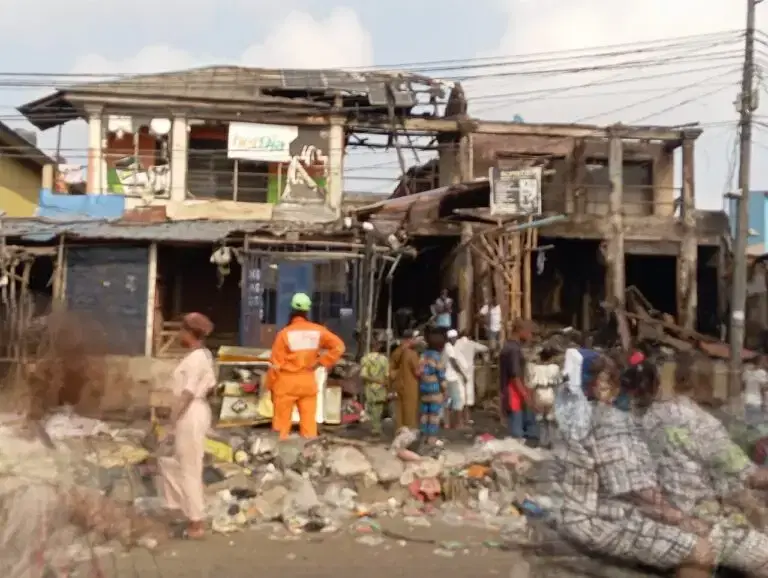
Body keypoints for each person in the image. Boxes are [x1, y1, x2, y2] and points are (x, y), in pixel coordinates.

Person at [2, 313, 164, 576]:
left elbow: (57, 490)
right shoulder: (17, 453)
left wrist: (106, 514)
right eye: (87, 364)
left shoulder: (41, 440)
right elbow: (39, 498)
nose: (99, 377)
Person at [556, 357, 719, 578]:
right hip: (593, 522)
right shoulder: (610, 420)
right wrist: (680, 517)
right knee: (700, 551)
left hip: (585, 512)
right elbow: (633, 489)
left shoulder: (574, 416)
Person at [626, 355, 768, 576]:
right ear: (696, 384)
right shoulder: (696, 420)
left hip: (644, 520)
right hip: (693, 522)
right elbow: (751, 477)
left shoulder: (633, 414)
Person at [157, 312, 217, 540]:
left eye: (181, 330)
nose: (179, 335)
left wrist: (172, 421)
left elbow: (188, 393)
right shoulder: (201, 356)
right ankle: (188, 511)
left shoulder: (196, 359)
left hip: (190, 413)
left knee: (190, 468)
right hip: (193, 412)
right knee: (173, 462)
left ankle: (196, 523)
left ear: (190, 333)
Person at [267, 292, 345, 440]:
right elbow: (339, 347)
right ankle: (310, 457)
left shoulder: (284, 334)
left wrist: (270, 386)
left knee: (281, 428)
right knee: (309, 426)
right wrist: (322, 362)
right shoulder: (318, 331)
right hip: (307, 382)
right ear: (307, 311)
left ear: (291, 310)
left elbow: (275, 365)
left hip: (285, 383)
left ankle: (279, 456)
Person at [499, 319, 538, 444]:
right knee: (517, 434)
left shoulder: (509, 346)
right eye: (530, 333)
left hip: (512, 390)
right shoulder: (514, 350)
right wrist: (526, 395)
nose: (531, 336)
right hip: (513, 392)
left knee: (520, 428)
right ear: (521, 331)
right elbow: (515, 376)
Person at [525, 346, 560, 448]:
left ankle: (542, 441)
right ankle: (552, 441)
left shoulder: (535, 368)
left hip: (539, 393)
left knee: (541, 419)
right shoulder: (555, 368)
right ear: (551, 358)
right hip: (550, 393)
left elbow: (530, 384)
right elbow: (559, 381)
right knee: (551, 419)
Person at [454, 330, 489, 425]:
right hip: (469, 372)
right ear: (469, 336)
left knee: (460, 396)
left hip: (458, 372)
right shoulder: (471, 343)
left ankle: (459, 420)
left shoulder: (456, 344)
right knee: (468, 397)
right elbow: (485, 348)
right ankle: (467, 419)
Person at [419, 327, 447, 444]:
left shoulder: (423, 355)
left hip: (423, 389)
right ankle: (432, 439)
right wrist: (445, 390)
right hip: (435, 390)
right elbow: (441, 375)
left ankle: (423, 437)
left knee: (424, 414)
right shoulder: (437, 357)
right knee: (434, 416)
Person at [390, 329, 421, 430]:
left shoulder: (397, 351)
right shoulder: (412, 353)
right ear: (411, 339)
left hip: (398, 385)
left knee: (400, 413)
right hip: (410, 386)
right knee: (410, 413)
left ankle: (399, 435)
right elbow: (418, 372)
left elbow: (391, 369)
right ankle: (408, 437)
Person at [360, 338, 390, 437]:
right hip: (380, 387)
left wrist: (373, 380)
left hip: (369, 387)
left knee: (371, 408)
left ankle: (375, 428)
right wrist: (382, 382)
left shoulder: (365, 359)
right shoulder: (384, 359)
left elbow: (363, 375)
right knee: (379, 408)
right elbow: (387, 375)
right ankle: (377, 428)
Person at [443, 329, 470, 429]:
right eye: (454, 338)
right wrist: (462, 375)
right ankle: (458, 424)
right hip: (451, 377)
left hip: (447, 377)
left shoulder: (448, 347)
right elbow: (454, 363)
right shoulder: (449, 347)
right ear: (451, 338)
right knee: (457, 401)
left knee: (447, 402)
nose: (455, 340)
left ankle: (447, 423)